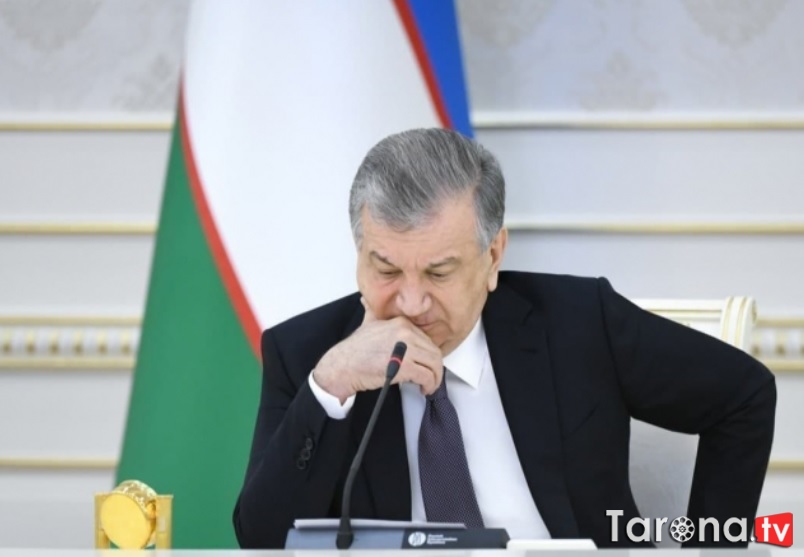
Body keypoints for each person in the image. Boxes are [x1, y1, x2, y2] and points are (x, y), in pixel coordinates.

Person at [232, 128, 776, 548]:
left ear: (493, 256)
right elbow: (262, 541)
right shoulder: (308, 356)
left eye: (439, 272)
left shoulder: (578, 323)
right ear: (359, 255)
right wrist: (329, 388)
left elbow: (742, 396)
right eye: (387, 270)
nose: (412, 303)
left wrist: (707, 550)